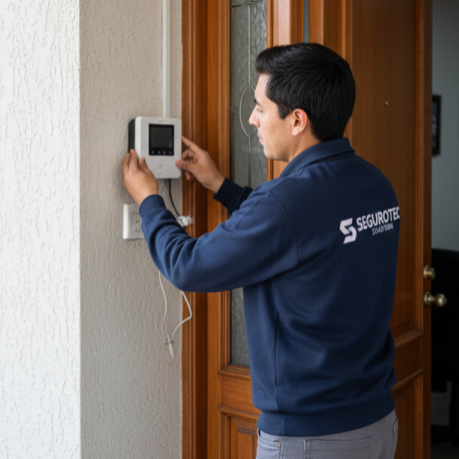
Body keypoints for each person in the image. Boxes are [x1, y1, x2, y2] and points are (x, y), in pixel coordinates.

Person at [122, 43, 400, 459]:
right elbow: (302, 234)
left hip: (311, 440)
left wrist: (148, 200)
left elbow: (187, 266)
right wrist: (221, 186)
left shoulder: (285, 203)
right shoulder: (376, 184)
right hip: (378, 424)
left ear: (297, 120)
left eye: (260, 107)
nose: (252, 119)